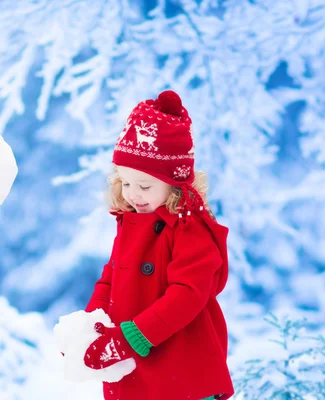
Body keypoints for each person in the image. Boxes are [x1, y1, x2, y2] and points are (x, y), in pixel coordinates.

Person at [83, 90, 234, 400]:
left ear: (175, 181)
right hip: (134, 362)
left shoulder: (189, 227)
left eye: (145, 185)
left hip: (179, 360)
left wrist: (132, 337)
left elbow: (188, 293)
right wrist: (89, 326)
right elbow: (110, 277)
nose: (133, 194)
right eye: (125, 182)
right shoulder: (129, 221)